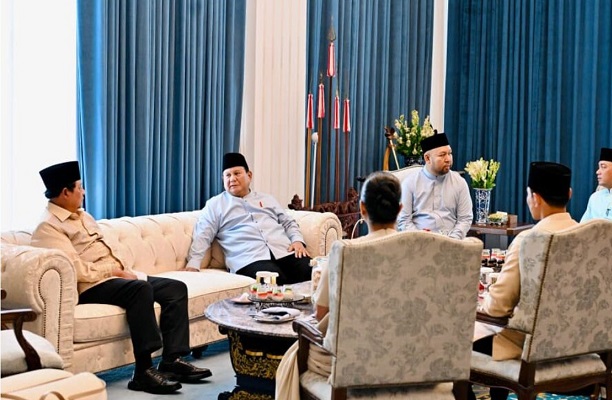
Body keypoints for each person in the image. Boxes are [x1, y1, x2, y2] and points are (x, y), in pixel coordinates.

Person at [31, 161, 211, 395]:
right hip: (91, 286)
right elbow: (76, 271)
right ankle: (143, 372)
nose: (84, 192)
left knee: (175, 289)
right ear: (65, 192)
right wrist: (114, 272)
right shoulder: (48, 227)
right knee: (139, 289)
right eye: (80, 187)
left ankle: (172, 361)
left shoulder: (82, 216)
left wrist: (124, 270)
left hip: (117, 278)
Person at [275, 171, 402, 400]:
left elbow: (321, 313)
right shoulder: (432, 251)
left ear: (362, 209)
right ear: (400, 209)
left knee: (292, 357)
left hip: (352, 365)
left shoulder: (343, 252)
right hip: (414, 362)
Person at [472, 162, 577, 400]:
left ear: (535, 198)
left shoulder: (529, 240)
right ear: (569, 194)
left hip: (526, 346)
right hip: (576, 344)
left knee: (455, 336)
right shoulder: (590, 236)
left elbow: (498, 307)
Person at [185, 153, 312, 284]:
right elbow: (203, 234)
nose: (232, 179)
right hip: (249, 259)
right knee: (273, 280)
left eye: (237, 173)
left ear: (249, 175)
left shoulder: (267, 199)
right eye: (227, 175)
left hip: (284, 251)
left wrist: (297, 240)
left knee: (313, 271)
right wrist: (193, 263)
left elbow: (288, 222)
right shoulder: (215, 205)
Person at [397, 132, 473, 239]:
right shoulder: (410, 183)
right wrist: (419, 239)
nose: (448, 159)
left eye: (450, 153)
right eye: (442, 155)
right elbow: (403, 220)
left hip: (451, 242)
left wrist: (452, 240)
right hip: (418, 242)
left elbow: (465, 219)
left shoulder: (460, 183)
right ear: (427, 158)